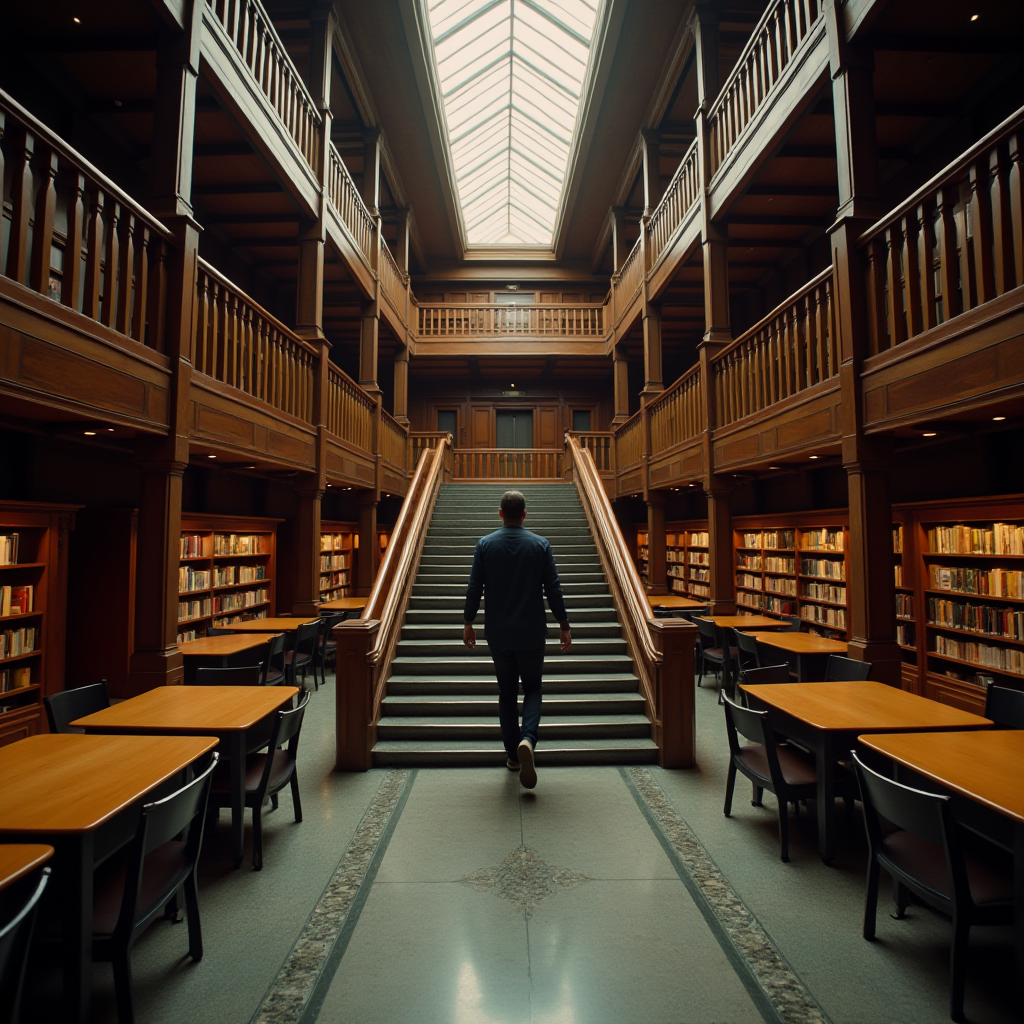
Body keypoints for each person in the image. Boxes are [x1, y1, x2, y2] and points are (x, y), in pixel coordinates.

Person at [462, 489, 571, 789]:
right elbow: (554, 588)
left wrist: (468, 622)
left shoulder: (485, 545)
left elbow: (475, 587)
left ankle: (512, 755)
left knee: (507, 693)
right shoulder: (540, 545)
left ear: (500, 514)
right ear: (524, 514)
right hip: (532, 632)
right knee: (533, 688)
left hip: (499, 633)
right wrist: (564, 623)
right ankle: (528, 740)